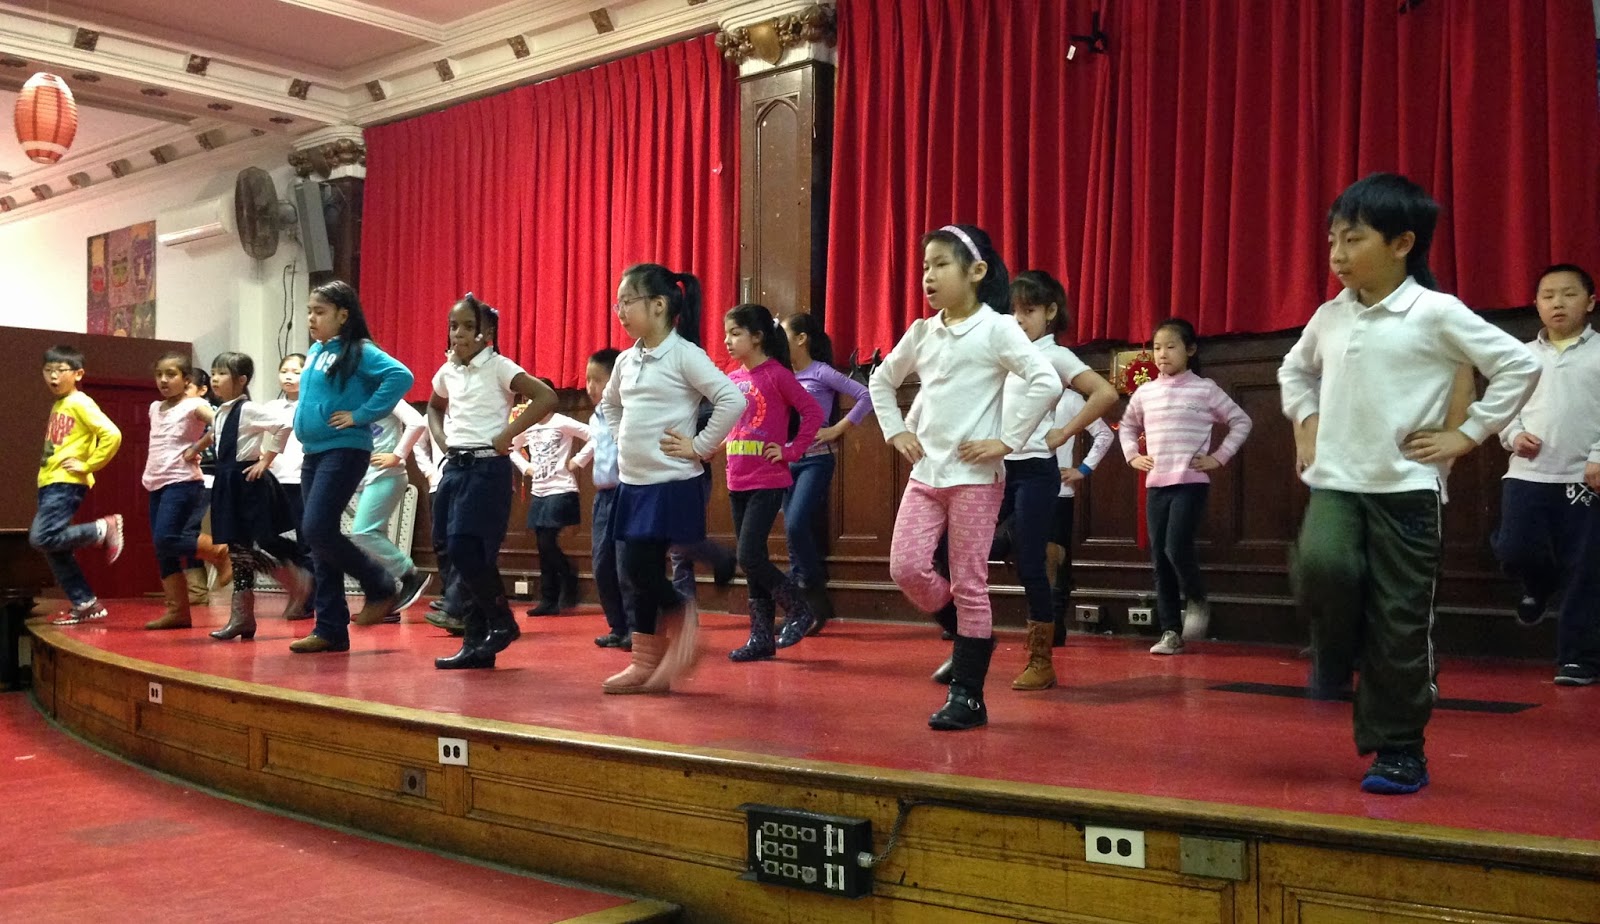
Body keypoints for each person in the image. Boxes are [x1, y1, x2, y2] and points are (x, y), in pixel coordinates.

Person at [1278, 172, 1540, 794]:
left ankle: (1399, 749)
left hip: (1408, 492)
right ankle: (1337, 650)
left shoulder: (1435, 312)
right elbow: (1294, 371)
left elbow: (1519, 364)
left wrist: (1467, 434)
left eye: (1354, 240)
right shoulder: (1329, 315)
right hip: (1336, 482)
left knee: (1400, 623)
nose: (1338, 254)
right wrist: (1306, 423)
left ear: (1401, 244)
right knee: (1322, 565)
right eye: (1333, 240)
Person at [868, 224, 1057, 730]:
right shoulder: (922, 332)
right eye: (924, 267)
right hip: (926, 475)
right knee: (906, 567)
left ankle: (968, 696)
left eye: (940, 265)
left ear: (976, 271)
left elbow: (1045, 380)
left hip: (975, 478)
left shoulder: (997, 328)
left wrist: (1007, 441)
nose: (928, 276)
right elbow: (881, 381)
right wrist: (895, 431)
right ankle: (973, 636)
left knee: (970, 582)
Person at [599, 264, 745, 693]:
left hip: (670, 481)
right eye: (617, 304)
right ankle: (645, 665)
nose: (620, 312)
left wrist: (700, 446)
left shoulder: (684, 354)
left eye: (628, 302)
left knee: (642, 571)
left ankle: (683, 613)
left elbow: (731, 400)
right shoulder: (626, 360)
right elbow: (610, 405)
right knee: (635, 572)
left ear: (659, 305)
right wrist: (620, 437)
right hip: (634, 482)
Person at [991, 270, 1118, 690]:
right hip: (997, 469)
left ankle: (1041, 660)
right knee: (974, 549)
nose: (1019, 319)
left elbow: (1105, 393)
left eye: (1029, 310)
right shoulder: (1007, 355)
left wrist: (1063, 433)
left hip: (1035, 471)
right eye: (1014, 311)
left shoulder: (1056, 356)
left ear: (1050, 312)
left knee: (1030, 564)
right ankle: (968, 642)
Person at [428, 293, 558, 670]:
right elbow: (434, 407)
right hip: (454, 467)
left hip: (486, 469)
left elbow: (545, 397)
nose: (458, 333)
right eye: (453, 326)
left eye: (468, 326)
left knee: (467, 549)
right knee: (454, 551)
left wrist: (508, 434)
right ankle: (475, 642)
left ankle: (502, 621)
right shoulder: (448, 371)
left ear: (486, 333)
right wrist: (442, 439)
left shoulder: (499, 366)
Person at [289, 281, 415, 653]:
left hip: (344, 450)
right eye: (309, 311)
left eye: (320, 311)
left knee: (316, 528)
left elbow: (401, 376)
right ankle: (330, 629)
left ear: (343, 315)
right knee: (319, 540)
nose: (312, 318)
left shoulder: (359, 349)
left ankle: (379, 584)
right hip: (314, 453)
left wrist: (362, 414)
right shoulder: (316, 350)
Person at [1492, 263, 1600, 686]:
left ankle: (1578, 659)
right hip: (1527, 473)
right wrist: (1513, 435)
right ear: (1536, 304)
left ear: (1590, 302)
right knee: (1514, 547)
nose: (1558, 303)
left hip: (1584, 477)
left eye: (1569, 294)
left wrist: (1598, 456)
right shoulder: (1520, 356)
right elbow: (1503, 409)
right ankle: (1538, 583)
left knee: (1585, 569)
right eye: (1548, 295)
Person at [1119, 318, 1252, 655]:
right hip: (1156, 485)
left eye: (1171, 346)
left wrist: (1218, 457)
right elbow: (1127, 426)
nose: (1162, 354)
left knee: (1175, 546)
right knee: (1159, 558)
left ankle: (1196, 597)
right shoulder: (1146, 392)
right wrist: (1133, 455)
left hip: (1190, 482)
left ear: (1190, 350)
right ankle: (1170, 632)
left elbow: (1241, 421)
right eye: (1157, 347)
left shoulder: (1204, 389)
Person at [720, 303, 823, 661]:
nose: (727, 341)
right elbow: (732, 422)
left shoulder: (777, 374)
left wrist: (792, 451)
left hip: (767, 479)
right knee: (753, 562)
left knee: (748, 555)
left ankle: (799, 607)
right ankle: (761, 638)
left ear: (758, 337)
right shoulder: (732, 378)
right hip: (736, 479)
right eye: (726, 333)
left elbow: (813, 412)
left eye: (735, 333)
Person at [196, 352, 309, 641]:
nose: (216, 379)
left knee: (261, 539)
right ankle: (243, 617)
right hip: (226, 482)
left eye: (223, 373)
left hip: (247, 482)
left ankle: (297, 575)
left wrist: (266, 461)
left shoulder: (248, 409)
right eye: (214, 373)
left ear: (242, 380)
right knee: (237, 550)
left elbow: (283, 426)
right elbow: (216, 436)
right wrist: (195, 449)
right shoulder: (220, 411)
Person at [779, 312, 873, 635]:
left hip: (816, 461)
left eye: (784, 334)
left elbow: (866, 395)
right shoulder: (781, 374)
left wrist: (836, 429)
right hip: (785, 462)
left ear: (801, 338)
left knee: (796, 524)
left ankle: (814, 599)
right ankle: (801, 610)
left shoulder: (821, 372)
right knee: (791, 534)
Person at [33, 345, 124, 625]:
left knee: (42, 537)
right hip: (50, 481)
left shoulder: (79, 402)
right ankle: (85, 603)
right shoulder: (60, 404)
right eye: (48, 370)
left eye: (60, 370)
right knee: (55, 548)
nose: (53, 376)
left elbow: (112, 434)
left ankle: (103, 528)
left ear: (78, 374)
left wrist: (88, 465)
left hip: (65, 481)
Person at [141, 351, 226, 630]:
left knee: (166, 538)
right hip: (156, 482)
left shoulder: (194, 404)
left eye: (171, 375)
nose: (164, 380)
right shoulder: (155, 407)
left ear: (186, 379)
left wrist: (197, 447)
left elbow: (221, 424)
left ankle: (220, 551)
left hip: (183, 481)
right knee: (162, 548)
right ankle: (178, 612)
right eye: (159, 375)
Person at [346, 397, 431, 621]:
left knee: (363, 532)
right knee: (373, 539)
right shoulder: (353, 397)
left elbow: (417, 422)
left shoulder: (387, 394)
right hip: (366, 477)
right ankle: (384, 600)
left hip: (386, 475)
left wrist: (398, 454)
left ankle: (411, 574)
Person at [570, 348, 631, 648]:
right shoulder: (595, 418)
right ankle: (617, 626)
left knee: (626, 565)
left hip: (627, 495)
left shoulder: (627, 413)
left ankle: (637, 628)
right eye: (587, 379)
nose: (590, 387)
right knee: (602, 564)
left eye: (598, 380)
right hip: (603, 497)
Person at [511, 384, 590, 617]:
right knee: (542, 544)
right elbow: (510, 446)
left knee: (547, 541)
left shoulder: (561, 422)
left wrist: (578, 460)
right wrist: (526, 467)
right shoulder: (528, 426)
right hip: (539, 491)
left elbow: (594, 436)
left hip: (561, 489)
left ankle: (567, 574)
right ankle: (549, 599)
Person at [267, 353, 313, 620]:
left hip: (303, 479)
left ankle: (309, 602)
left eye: (296, 371)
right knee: (266, 536)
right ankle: (299, 577)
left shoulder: (313, 403)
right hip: (275, 480)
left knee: (307, 540)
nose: (289, 376)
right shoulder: (271, 407)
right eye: (284, 371)